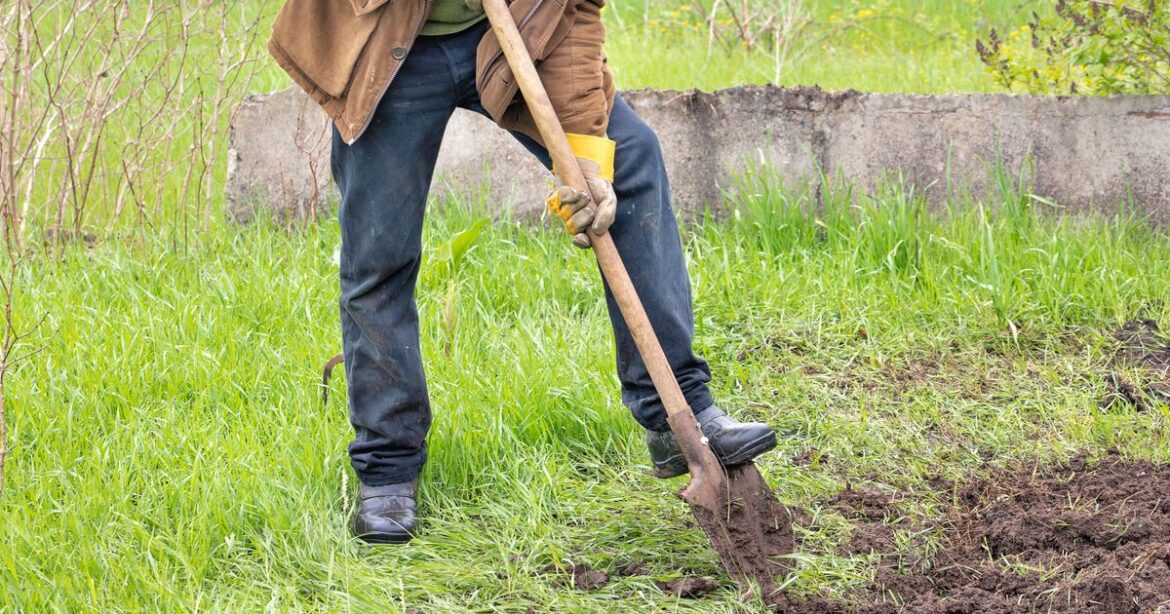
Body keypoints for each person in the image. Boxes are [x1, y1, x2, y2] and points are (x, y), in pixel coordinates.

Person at [268, 0, 778, 544]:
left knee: (627, 158)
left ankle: (679, 411)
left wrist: (585, 156)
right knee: (378, 254)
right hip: (384, 42)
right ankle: (387, 466)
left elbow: (572, 10)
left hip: (505, 32)